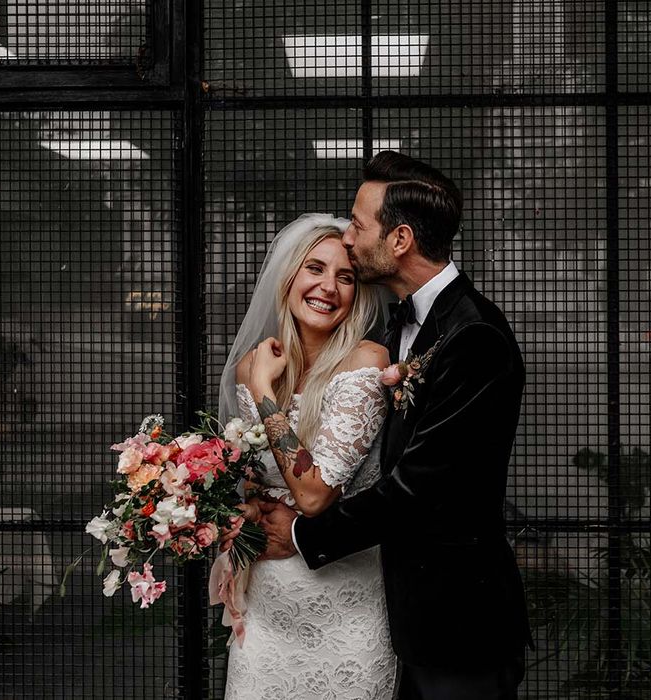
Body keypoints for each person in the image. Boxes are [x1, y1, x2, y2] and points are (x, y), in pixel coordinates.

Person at [228, 151, 533, 699]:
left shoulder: (475, 336)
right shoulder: (401, 325)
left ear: (400, 240)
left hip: (455, 619)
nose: (349, 234)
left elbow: (418, 488)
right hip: (394, 608)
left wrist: (299, 532)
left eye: (359, 223)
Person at [216, 214, 398, 699]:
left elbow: (314, 494)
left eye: (346, 277)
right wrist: (244, 512)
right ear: (290, 276)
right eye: (314, 269)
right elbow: (255, 481)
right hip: (266, 612)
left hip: (343, 612)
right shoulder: (250, 364)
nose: (328, 287)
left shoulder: (366, 363)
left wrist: (263, 390)